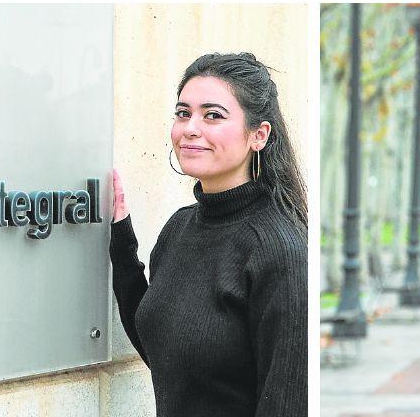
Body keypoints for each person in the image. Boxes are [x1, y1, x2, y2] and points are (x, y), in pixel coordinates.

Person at [107, 52, 307, 417]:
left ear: (258, 135)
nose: (190, 128)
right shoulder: (179, 228)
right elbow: (163, 352)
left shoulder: (278, 249)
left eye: (213, 115)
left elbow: (287, 400)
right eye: (183, 113)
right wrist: (122, 243)